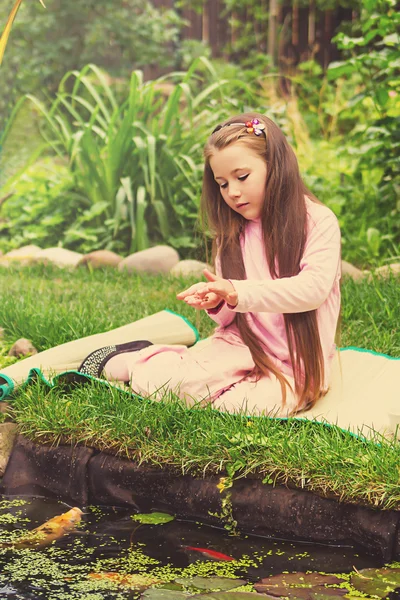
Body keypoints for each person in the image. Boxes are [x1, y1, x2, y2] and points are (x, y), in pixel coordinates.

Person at [80, 112, 341, 416]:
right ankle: (140, 358)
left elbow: (312, 290)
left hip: (296, 361)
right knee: (167, 386)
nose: (232, 192)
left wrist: (236, 291)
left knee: (244, 406)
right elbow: (232, 319)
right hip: (241, 345)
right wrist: (219, 301)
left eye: (242, 177)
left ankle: (194, 376)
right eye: (222, 183)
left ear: (276, 167)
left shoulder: (318, 222)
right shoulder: (235, 232)